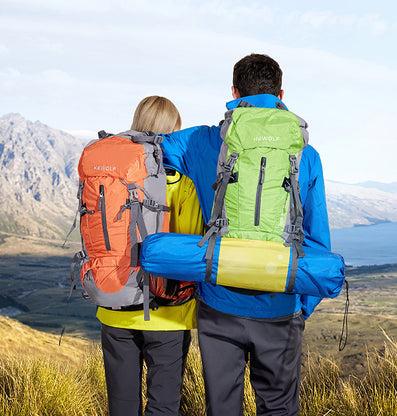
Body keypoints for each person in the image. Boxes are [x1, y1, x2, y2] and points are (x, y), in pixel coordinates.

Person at [159, 54, 331, 416]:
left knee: (222, 407)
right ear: (281, 93)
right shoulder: (306, 154)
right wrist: (301, 306)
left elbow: (155, 147)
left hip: (219, 301)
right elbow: (318, 239)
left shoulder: (203, 142)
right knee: (280, 408)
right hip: (280, 303)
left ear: (234, 92)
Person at [97, 96, 204, 416]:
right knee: (164, 404)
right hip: (167, 312)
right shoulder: (181, 181)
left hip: (115, 303)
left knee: (122, 405)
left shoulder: (110, 179)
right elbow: (193, 246)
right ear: (174, 130)